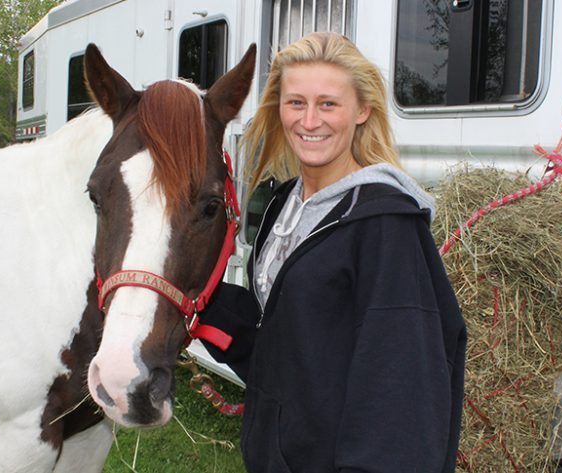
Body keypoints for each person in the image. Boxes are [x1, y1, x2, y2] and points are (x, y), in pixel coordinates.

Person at [200, 32, 466, 473]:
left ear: (362, 110)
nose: (309, 121)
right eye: (296, 103)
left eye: (328, 104)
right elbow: (292, 340)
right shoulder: (284, 203)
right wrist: (200, 307)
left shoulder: (384, 224)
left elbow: (400, 388)